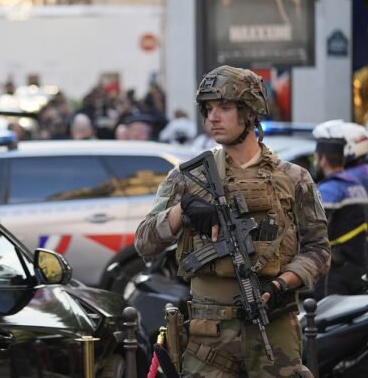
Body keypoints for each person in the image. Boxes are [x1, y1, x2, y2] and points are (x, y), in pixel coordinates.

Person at [135, 65, 330, 377]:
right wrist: (180, 213)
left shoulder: (293, 178)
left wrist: (282, 283)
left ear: (250, 114)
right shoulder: (187, 179)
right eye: (208, 109)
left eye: (224, 108)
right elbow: (144, 240)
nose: (213, 117)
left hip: (273, 327)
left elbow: (319, 250)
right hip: (208, 337)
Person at [311, 135, 368, 300]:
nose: (315, 162)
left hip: (335, 273)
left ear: (323, 160)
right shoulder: (357, 186)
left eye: (316, 158)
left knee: (324, 321)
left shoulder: (329, 190)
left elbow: (315, 230)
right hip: (359, 269)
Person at [312, 120, 368, 242]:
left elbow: (314, 231)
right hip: (358, 255)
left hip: (340, 258)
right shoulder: (361, 178)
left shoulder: (336, 186)